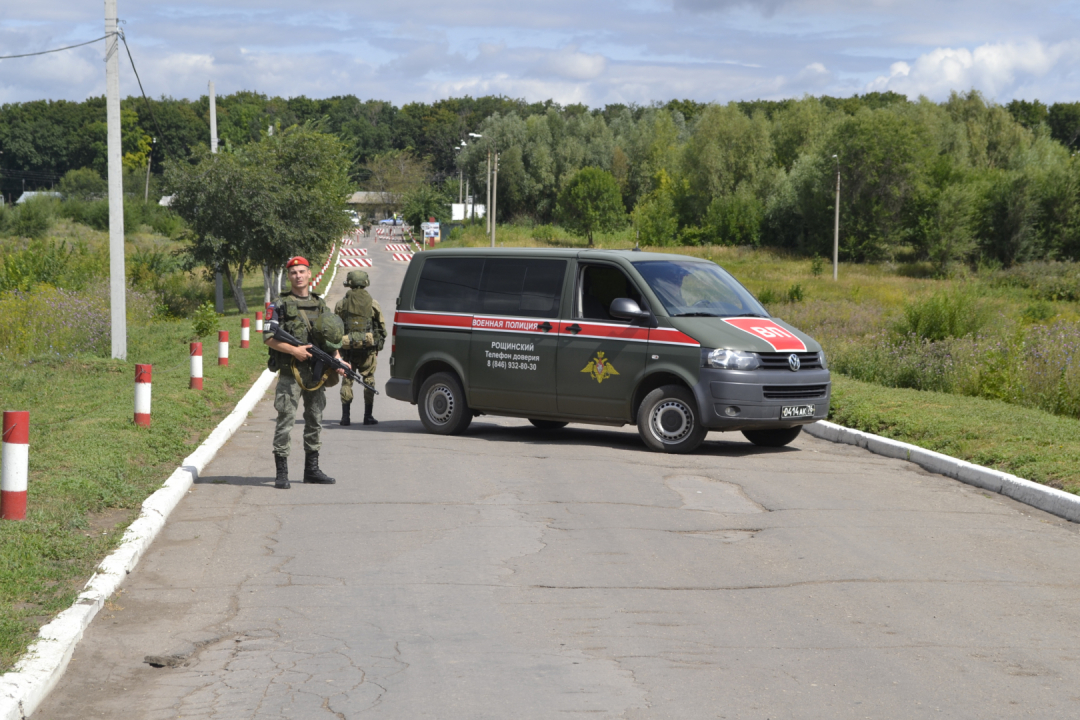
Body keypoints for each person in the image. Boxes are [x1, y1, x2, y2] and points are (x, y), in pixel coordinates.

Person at [264, 256, 349, 489]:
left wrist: (339, 361)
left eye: (302, 271)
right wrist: (294, 350)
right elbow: (268, 338)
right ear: (289, 276)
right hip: (290, 372)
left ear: (310, 274)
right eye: (293, 272)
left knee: (315, 420)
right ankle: (281, 473)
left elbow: (331, 338)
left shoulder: (320, 304)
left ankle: (311, 470)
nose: (298, 276)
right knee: (285, 421)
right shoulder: (278, 304)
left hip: (315, 374)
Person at [335, 269, 387, 426]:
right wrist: (377, 346)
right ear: (365, 283)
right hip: (367, 350)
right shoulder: (373, 304)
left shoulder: (341, 304)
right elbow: (381, 328)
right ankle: (368, 416)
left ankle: (345, 417)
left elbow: (336, 328)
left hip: (347, 351)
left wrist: (339, 348)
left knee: (347, 381)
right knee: (369, 379)